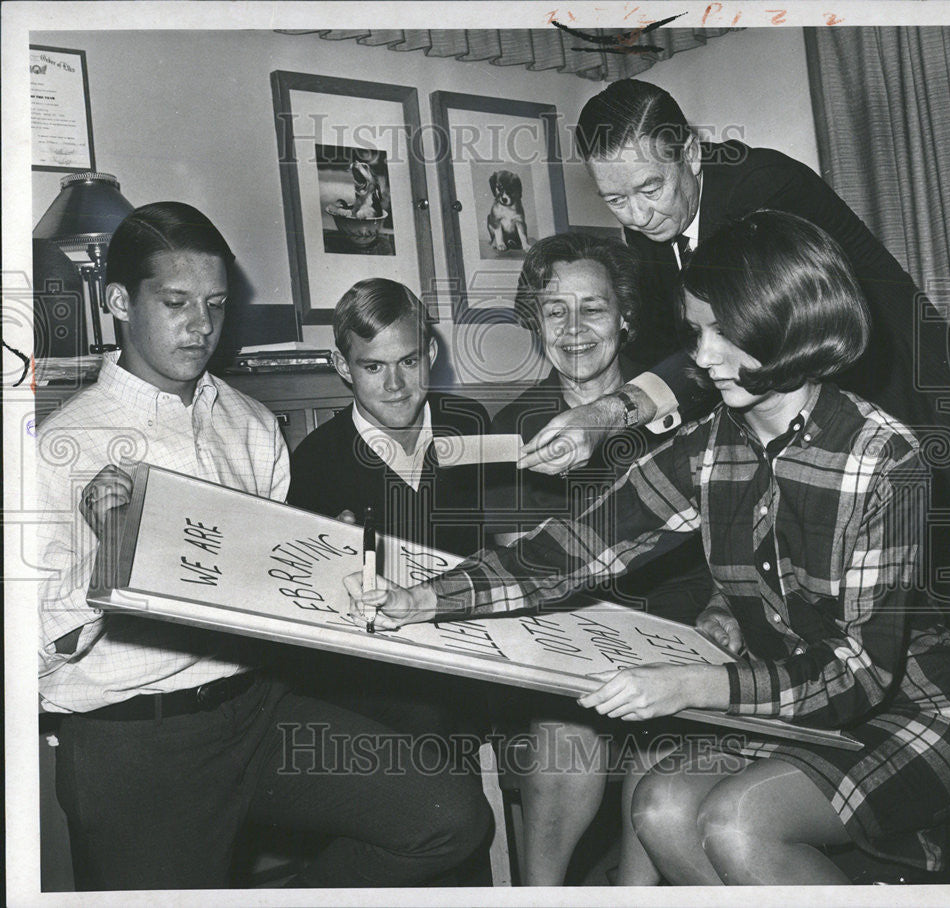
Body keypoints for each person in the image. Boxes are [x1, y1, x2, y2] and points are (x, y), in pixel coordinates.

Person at [347, 211, 950, 884]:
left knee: (737, 822)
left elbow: (859, 672)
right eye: (698, 332)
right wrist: (423, 597)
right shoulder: (713, 446)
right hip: (783, 705)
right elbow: (569, 551)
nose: (702, 358)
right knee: (660, 807)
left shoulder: (882, 457)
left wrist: (691, 685)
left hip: (915, 711)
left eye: (723, 333)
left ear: (787, 327)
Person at [36, 202, 490, 890]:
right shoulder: (57, 447)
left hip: (260, 711)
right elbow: (37, 653)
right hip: (137, 740)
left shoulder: (249, 425)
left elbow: (278, 591)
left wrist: (334, 567)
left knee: (449, 817)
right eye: (176, 301)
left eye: (215, 304)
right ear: (119, 301)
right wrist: (114, 554)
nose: (201, 325)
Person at [520, 79, 950, 645]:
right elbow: (686, 351)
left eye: (650, 188)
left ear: (690, 153)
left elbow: (739, 346)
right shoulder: (650, 231)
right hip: (813, 419)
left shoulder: (762, 191)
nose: (637, 215)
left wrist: (611, 414)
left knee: (948, 621)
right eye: (615, 199)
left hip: (911, 405)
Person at [486, 232, 714, 885]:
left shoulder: (679, 407)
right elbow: (522, 576)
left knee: (659, 726)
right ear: (535, 322)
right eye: (556, 310)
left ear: (625, 316)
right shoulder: (516, 430)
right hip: (570, 636)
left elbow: (719, 553)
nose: (575, 327)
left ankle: (633, 895)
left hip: (682, 627)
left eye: (594, 307)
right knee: (568, 735)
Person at [288, 277, 490, 557]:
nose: (394, 384)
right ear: (344, 368)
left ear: (430, 354)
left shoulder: (469, 423)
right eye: (373, 367)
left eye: (409, 362)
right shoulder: (314, 460)